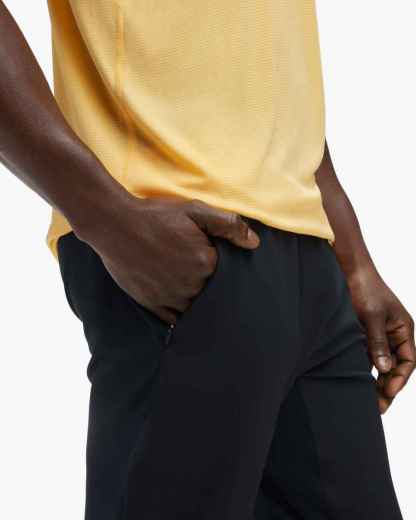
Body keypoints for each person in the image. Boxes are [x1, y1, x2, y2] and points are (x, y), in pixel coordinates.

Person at [0, 1, 413, 518]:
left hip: (310, 258)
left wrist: (352, 257)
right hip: (179, 251)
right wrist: (106, 215)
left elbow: (263, 60)